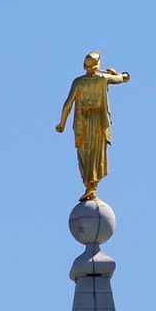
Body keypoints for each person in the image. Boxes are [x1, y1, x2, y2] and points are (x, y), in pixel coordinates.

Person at [56, 50, 131, 201]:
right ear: (97, 66)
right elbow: (124, 78)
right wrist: (117, 72)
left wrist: (62, 123)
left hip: (83, 121)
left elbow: (68, 104)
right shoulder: (103, 78)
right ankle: (92, 185)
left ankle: (90, 185)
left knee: (85, 154)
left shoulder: (78, 82)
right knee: (96, 154)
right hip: (97, 120)